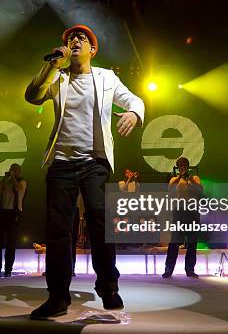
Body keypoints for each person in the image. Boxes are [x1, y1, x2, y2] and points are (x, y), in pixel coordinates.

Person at [25, 24, 145, 318]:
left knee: (99, 221)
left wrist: (133, 113)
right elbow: (32, 95)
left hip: (95, 162)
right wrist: (53, 64)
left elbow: (134, 100)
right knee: (58, 231)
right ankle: (58, 296)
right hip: (61, 164)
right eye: (69, 38)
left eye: (81, 38)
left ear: (92, 50)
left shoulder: (106, 77)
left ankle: (107, 285)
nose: (74, 41)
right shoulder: (57, 76)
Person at [162, 157, 202, 278]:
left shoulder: (194, 178)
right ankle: (168, 270)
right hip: (179, 212)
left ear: (188, 166)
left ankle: (190, 269)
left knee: (192, 242)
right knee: (174, 241)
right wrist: (181, 176)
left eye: (184, 165)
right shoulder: (175, 179)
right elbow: (170, 188)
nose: (183, 167)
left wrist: (189, 178)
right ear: (178, 167)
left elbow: (200, 189)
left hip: (192, 212)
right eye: (180, 165)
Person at [0, 163, 27, 277]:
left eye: (14, 169)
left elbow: (17, 188)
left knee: (11, 241)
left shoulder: (22, 181)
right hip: (3, 211)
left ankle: (8, 268)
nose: (11, 171)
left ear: (18, 171)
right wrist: (4, 179)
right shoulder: (7, 180)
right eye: (11, 169)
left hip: (14, 212)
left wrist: (13, 177)